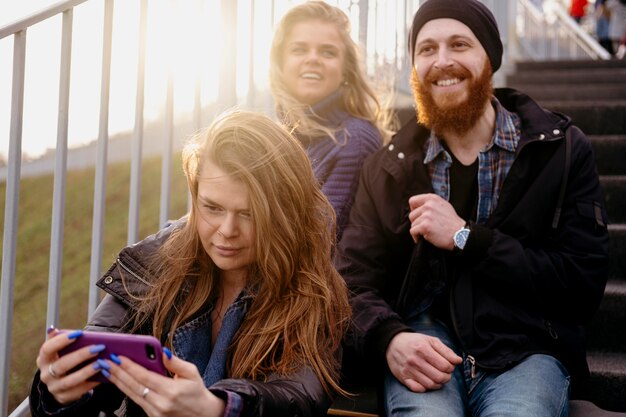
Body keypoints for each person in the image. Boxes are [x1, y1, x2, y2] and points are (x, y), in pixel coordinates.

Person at [335, 0, 610, 416]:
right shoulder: (387, 167)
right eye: (426, 50)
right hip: (422, 343)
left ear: (490, 58)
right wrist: (388, 338)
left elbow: (580, 285)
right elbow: (350, 282)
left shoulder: (562, 152)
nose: (442, 61)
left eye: (459, 44)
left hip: (526, 347)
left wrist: (466, 238)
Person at [29, 109, 351, 417]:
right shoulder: (157, 260)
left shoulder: (312, 288)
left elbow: (298, 398)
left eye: (249, 214)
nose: (227, 231)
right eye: (212, 208)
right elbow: (95, 369)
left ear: (286, 213)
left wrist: (218, 408)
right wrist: (57, 390)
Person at [269, 0, 392, 241]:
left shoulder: (354, 139)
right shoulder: (278, 139)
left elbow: (316, 242)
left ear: (345, 69)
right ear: (281, 64)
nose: (313, 59)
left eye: (328, 52)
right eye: (299, 49)